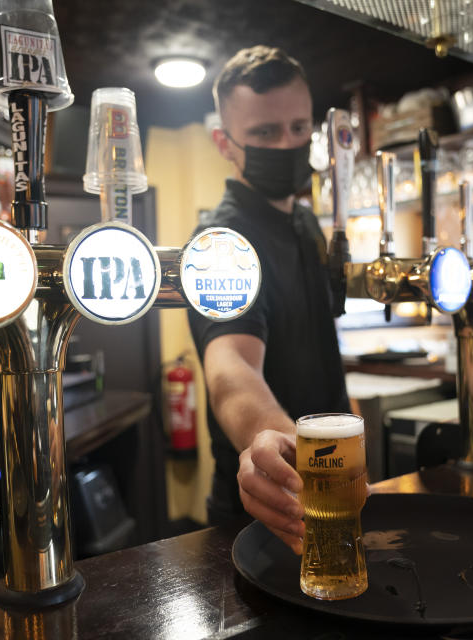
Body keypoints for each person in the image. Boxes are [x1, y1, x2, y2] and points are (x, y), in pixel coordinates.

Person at [187, 46, 350, 554]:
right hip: (265, 512)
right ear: (225, 142)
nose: (286, 143)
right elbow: (231, 366)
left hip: (337, 485)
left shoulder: (304, 222)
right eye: (263, 133)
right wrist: (272, 440)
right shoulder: (221, 241)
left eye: (299, 128)